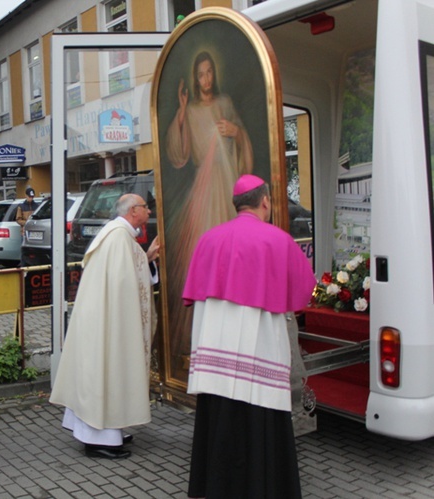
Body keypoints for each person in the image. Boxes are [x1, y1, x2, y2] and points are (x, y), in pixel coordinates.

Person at [181, 174, 316, 498]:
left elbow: (191, 296)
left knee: (222, 416)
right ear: (265, 201)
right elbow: (304, 291)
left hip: (215, 353)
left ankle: (217, 485)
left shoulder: (208, 240)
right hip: (260, 350)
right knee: (259, 418)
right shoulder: (277, 240)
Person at [164, 50, 255, 375]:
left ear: (214, 74)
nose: (205, 79)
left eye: (209, 73)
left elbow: (243, 145)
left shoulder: (225, 102)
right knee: (204, 258)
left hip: (228, 184)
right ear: (195, 77)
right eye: (200, 74)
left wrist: (236, 131)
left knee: (234, 256)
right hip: (203, 193)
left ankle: (234, 331)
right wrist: (180, 111)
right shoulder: (188, 110)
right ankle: (205, 337)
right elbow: (180, 154)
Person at [50, 193, 159, 460]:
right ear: (134, 211)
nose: (148, 212)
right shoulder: (119, 238)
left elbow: (125, 277)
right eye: (146, 208)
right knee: (107, 370)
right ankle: (98, 439)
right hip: (110, 321)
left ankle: (108, 430)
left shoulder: (117, 235)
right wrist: (147, 260)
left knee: (104, 371)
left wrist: (147, 258)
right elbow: (126, 284)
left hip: (101, 317)